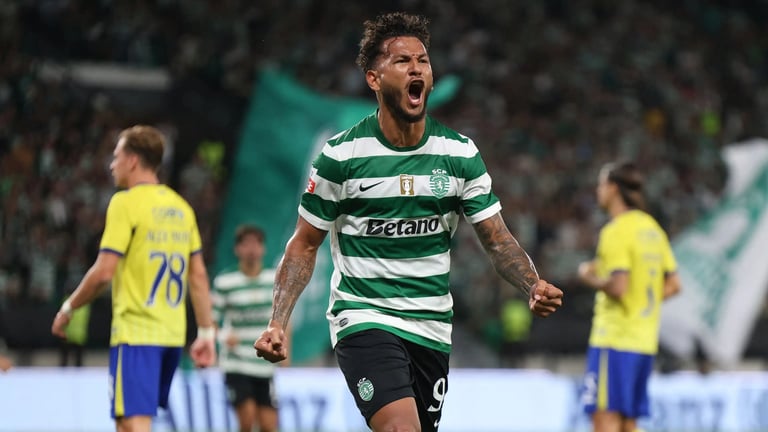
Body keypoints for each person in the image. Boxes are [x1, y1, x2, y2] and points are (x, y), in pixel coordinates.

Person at [254, 12, 563, 432]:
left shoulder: (459, 154)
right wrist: (277, 321)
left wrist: (532, 283)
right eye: (402, 61)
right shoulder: (341, 157)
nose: (416, 68)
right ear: (374, 79)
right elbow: (304, 244)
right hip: (364, 317)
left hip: (431, 326)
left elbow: (496, 239)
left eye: (423, 61)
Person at [51, 125, 217, 432]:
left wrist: (68, 307)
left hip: (137, 333)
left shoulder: (125, 203)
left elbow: (104, 271)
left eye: (116, 156)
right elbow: (197, 276)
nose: (112, 164)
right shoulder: (181, 208)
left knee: (135, 422)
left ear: (132, 161)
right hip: (171, 336)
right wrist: (206, 332)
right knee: (126, 423)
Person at [577, 161, 682, 432]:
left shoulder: (615, 231)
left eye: (601, 184)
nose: (598, 190)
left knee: (604, 420)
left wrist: (588, 276)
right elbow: (673, 284)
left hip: (614, 339)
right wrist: (640, 302)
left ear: (613, 188)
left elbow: (618, 287)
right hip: (644, 343)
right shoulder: (652, 230)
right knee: (628, 424)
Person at [213, 225, 287, 432]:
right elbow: (212, 321)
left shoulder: (274, 280)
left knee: (269, 425)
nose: (252, 249)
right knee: (247, 420)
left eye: (256, 244)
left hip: (264, 363)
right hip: (236, 363)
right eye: (246, 244)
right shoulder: (225, 282)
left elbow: (283, 317)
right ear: (237, 249)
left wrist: (285, 349)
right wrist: (223, 336)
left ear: (263, 248)